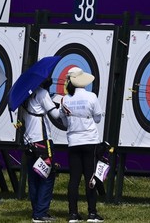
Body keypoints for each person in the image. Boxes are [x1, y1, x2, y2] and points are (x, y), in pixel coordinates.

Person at [59, 67, 104, 223]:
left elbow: (64, 123)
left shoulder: (64, 100)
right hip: (90, 142)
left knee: (74, 179)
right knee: (90, 177)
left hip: (73, 143)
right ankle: (92, 213)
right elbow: (98, 118)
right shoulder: (91, 96)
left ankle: (73, 214)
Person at [19, 77, 60, 222]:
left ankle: (37, 210)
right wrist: (61, 106)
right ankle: (40, 213)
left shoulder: (24, 95)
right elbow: (55, 115)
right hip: (42, 141)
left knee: (34, 175)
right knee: (47, 176)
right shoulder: (42, 93)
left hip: (28, 141)